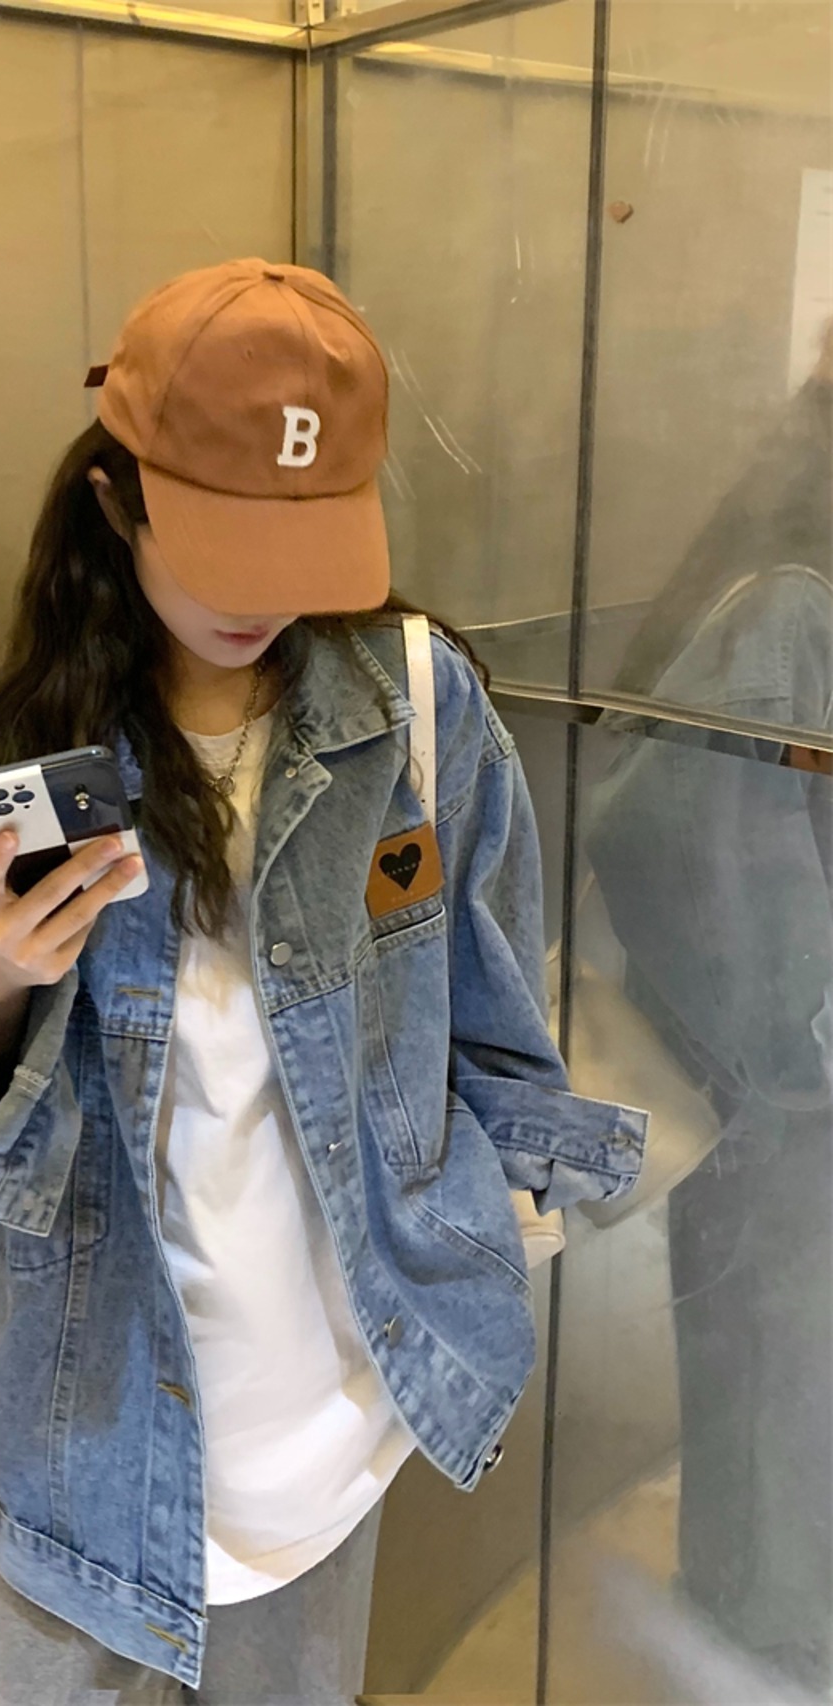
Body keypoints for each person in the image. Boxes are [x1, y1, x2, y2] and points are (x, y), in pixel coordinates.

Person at [0, 258, 644, 1704]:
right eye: (225, 542)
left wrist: (488, 1216)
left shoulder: (420, 713)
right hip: (77, 1442)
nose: (264, 599)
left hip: (333, 1432)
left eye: (305, 543)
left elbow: (492, 1030)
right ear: (115, 499)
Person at [585, 332, 832, 1696]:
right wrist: (806, 1040)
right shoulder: (794, 572)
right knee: (782, 1397)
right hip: (785, 1104)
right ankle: (768, 1646)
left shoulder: (788, 538)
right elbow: (680, 830)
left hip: (782, 1087)